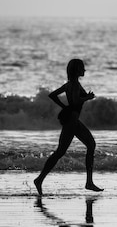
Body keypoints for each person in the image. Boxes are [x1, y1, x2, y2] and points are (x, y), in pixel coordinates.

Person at [34, 59, 103, 196]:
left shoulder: (69, 84)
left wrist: (65, 107)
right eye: (82, 68)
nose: (84, 70)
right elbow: (77, 101)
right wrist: (87, 98)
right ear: (77, 70)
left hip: (72, 119)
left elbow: (52, 95)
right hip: (71, 120)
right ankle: (40, 179)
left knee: (88, 145)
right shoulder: (75, 85)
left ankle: (88, 182)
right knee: (63, 151)